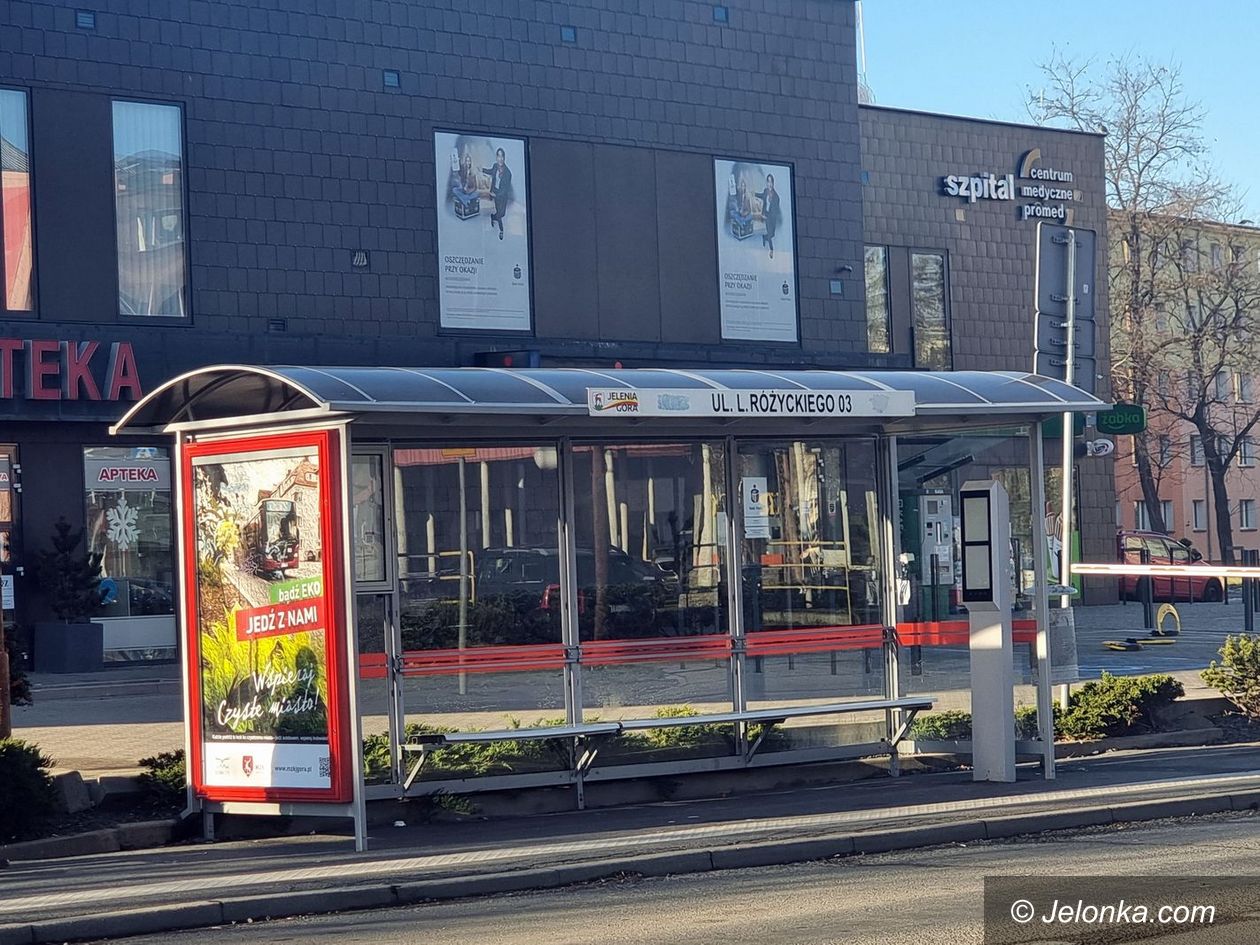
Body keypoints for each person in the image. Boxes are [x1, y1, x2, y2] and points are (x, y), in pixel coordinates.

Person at [482, 147, 514, 240]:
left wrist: (496, 195)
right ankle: (501, 231)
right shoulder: (495, 166)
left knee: (502, 213)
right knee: (500, 213)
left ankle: (493, 217)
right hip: (495, 192)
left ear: (504, 158)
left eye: (502, 156)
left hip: (502, 196)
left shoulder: (508, 173)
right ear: (496, 157)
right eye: (498, 156)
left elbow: (505, 189)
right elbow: (491, 171)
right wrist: (482, 170)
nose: (500, 158)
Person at [757, 173, 782, 259]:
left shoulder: (776, 197)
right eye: (768, 182)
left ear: (773, 183)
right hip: (766, 216)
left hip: (772, 217)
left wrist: (770, 218)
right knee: (770, 233)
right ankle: (771, 251)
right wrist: (754, 194)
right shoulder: (765, 191)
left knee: (771, 234)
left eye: (771, 182)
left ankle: (764, 237)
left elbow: (776, 211)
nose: (769, 184)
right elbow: (761, 195)